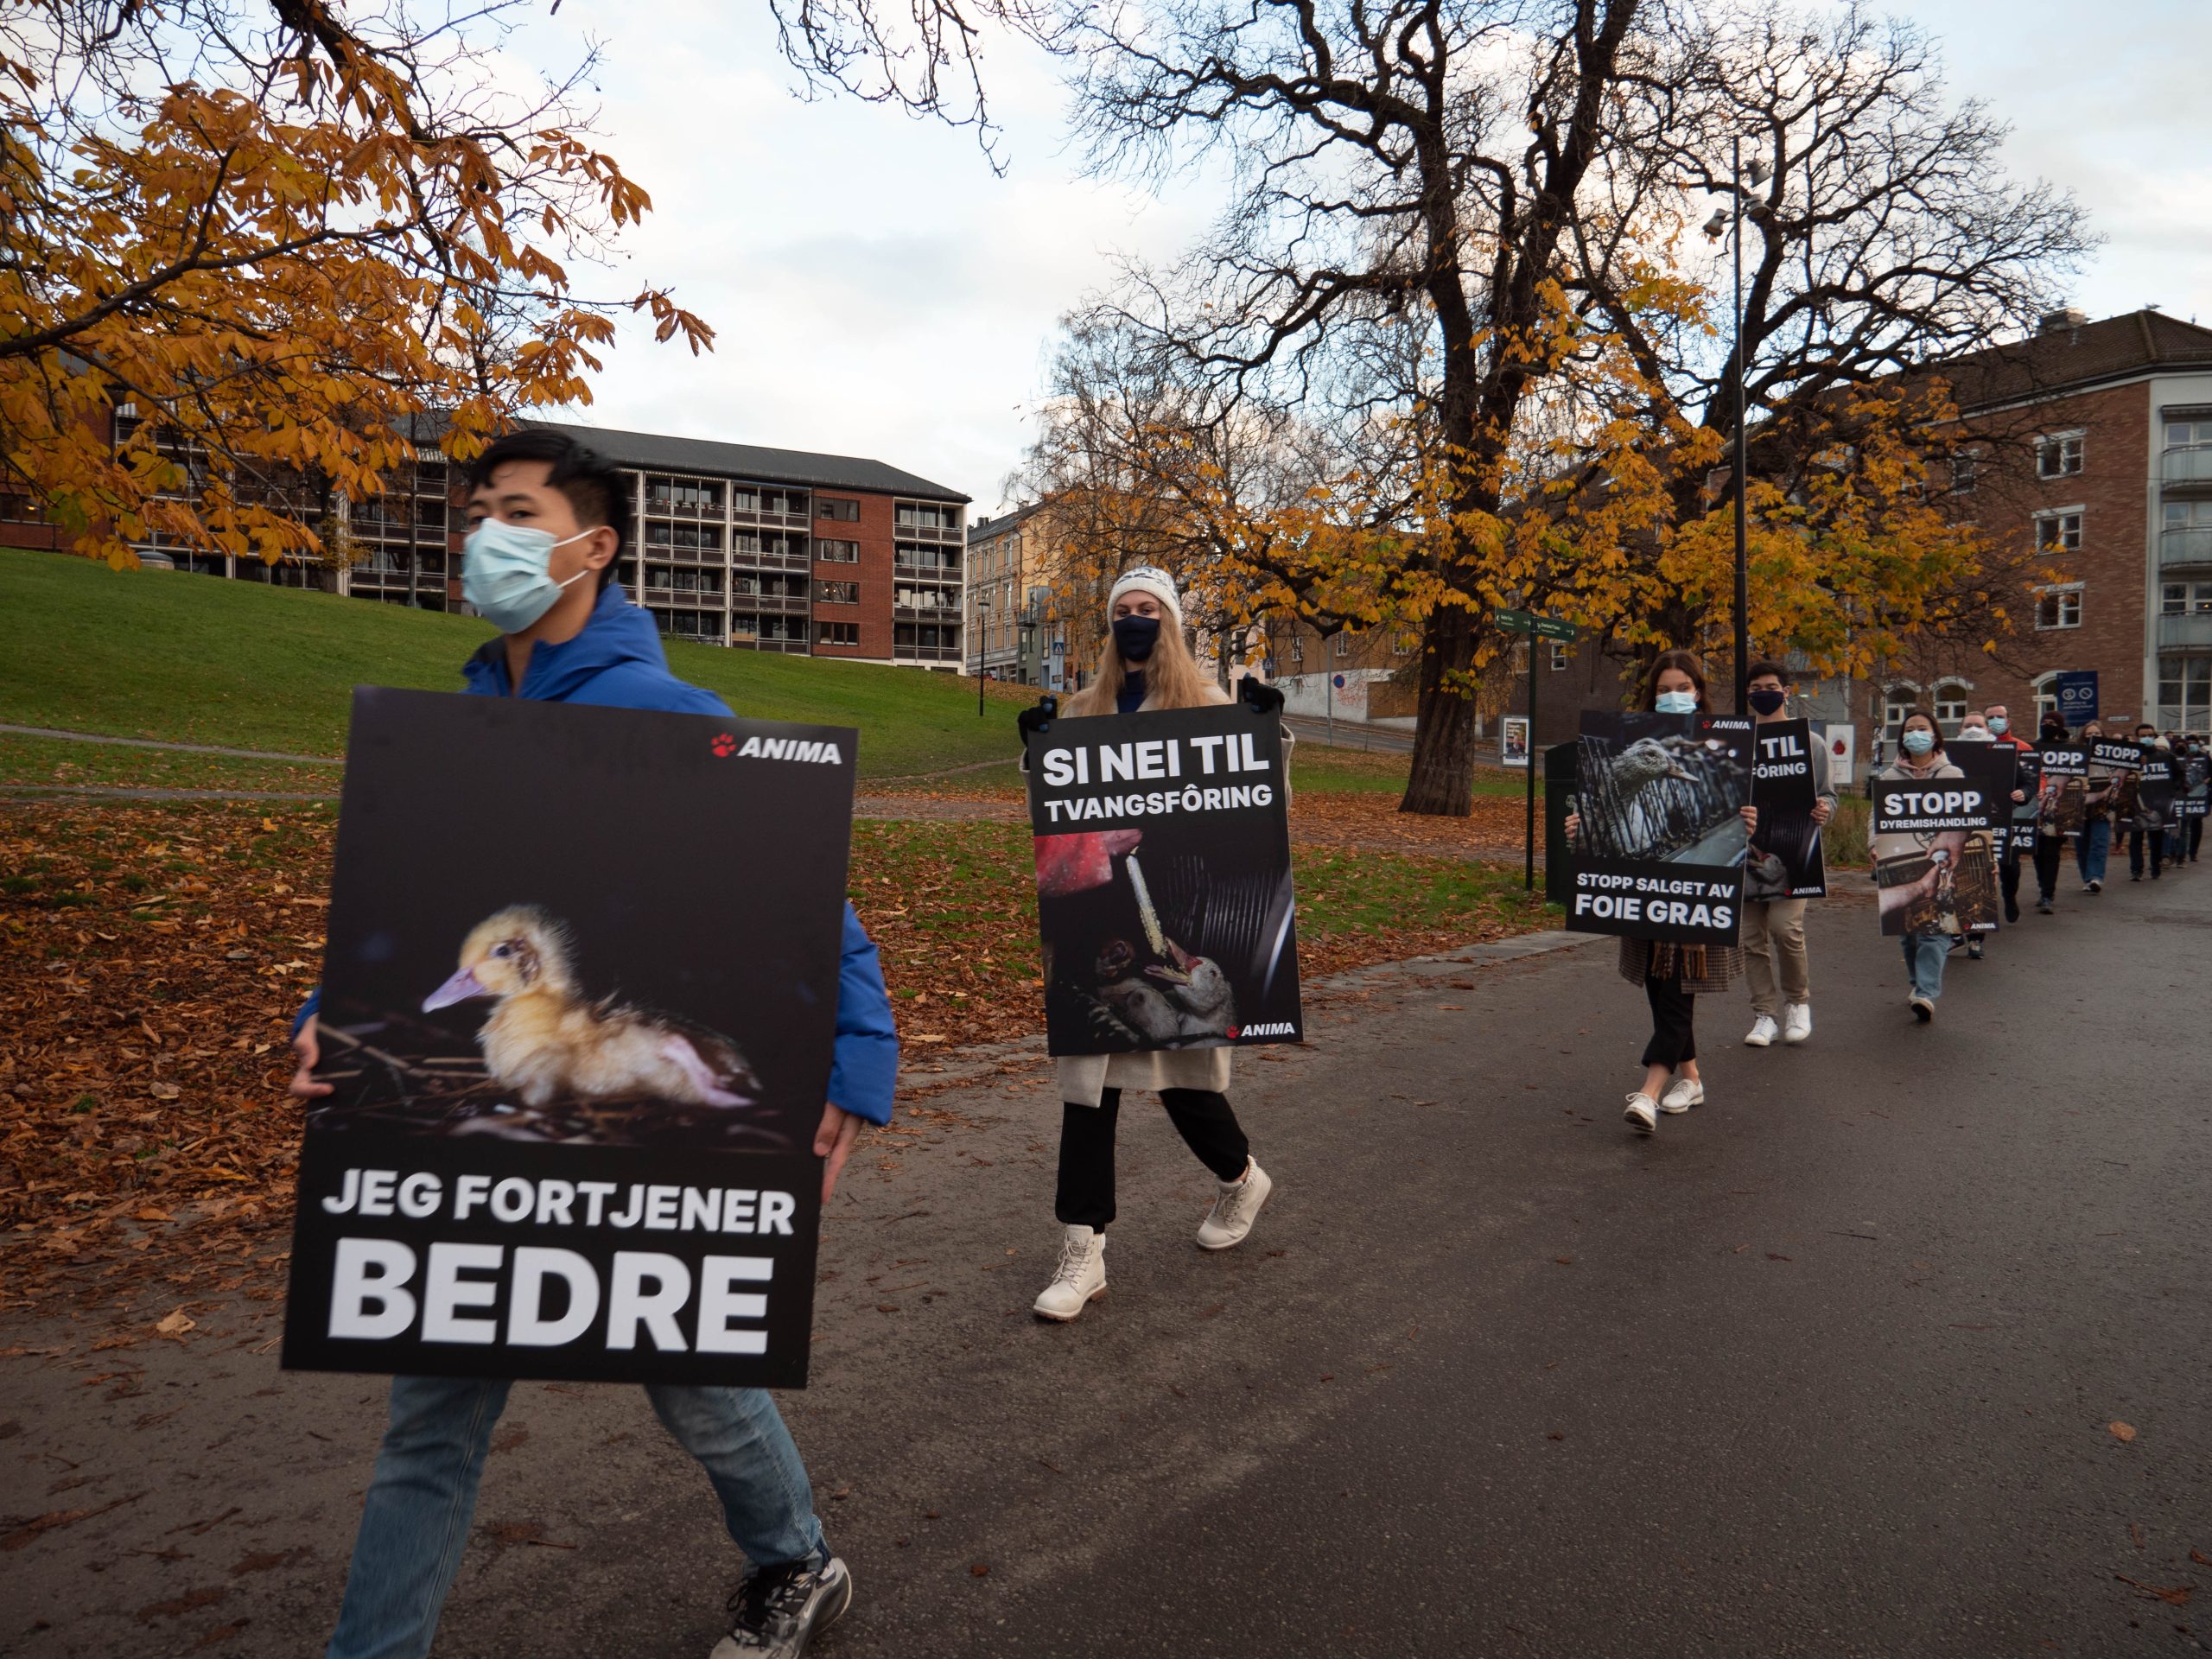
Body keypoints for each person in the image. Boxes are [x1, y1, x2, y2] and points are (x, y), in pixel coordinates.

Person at [287, 431, 899, 1659]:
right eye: (475, 513)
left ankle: (798, 1559)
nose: (483, 540)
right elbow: (418, 911)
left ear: (592, 544)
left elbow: (802, 900)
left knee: (695, 1379)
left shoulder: (670, 716)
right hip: (502, 1142)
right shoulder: (459, 725)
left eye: (515, 513)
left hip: (634, 1129)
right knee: (430, 1415)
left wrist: (856, 1061)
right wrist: (326, 1023)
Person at [1014, 565, 1290, 1322]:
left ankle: (1240, 1177)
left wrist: (1266, 736)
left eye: (1148, 609)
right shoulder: (1083, 709)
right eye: (1122, 612)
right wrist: (1036, 754)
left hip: (1177, 918)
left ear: (1170, 621)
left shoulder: (1206, 706)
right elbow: (1056, 817)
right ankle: (1083, 1249)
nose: (1134, 622)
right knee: (1088, 1090)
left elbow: (1256, 810)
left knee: (1183, 1083)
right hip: (1092, 926)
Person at [1562, 650, 1758, 1134]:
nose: (1674, 697)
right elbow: (1598, 840)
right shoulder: (1622, 778)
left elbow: (1747, 815)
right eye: (1664, 689)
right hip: (1643, 894)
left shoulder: (1725, 746)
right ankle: (1690, 1079)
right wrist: (1576, 833)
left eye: (1683, 688)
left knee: (1675, 987)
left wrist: (1752, 823)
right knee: (1658, 985)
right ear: (1652, 695)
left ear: (1699, 691)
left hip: (1694, 899)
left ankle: (1649, 1092)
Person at [1739, 660, 1834, 1045]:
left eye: (1772, 685)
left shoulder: (1811, 743)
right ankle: (1764, 1014)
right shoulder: (1739, 742)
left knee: (1785, 929)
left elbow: (1828, 794)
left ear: (1786, 691)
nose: (1765, 692)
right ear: (1748, 695)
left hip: (1794, 854)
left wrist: (1826, 809)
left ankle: (1798, 1003)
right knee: (1750, 938)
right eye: (1757, 687)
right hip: (1745, 853)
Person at [1872, 709, 1967, 1022]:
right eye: (1909, 729)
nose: (1916, 734)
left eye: (1922, 728)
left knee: (1935, 929)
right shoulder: (1889, 777)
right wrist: (1874, 844)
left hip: (1939, 861)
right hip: (1901, 860)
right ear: (1902, 738)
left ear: (1935, 735)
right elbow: (1876, 818)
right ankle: (1917, 985)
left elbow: (1967, 818)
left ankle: (1927, 993)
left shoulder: (1952, 775)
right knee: (1908, 932)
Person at [1949, 713, 1998, 957]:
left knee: (1980, 878)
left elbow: (2019, 782)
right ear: (1959, 729)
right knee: (1951, 879)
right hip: (1952, 822)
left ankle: (1976, 937)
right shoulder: (1946, 756)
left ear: (1988, 730)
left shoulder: (2001, 755)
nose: (1973, 729)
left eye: (1978, 726)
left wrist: (2021, 793)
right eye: (1968, 726)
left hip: (1983, 825)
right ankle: (1954, 934)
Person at [1986, 703, 2037, 926]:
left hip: (2006, 816)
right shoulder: (1970, 750)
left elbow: (2030, 781)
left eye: (1999, 717)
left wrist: (2024, 793)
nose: (1994, 721)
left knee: (2009, 863)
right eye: (1990, 717)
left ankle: (2009, 895)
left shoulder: (2017, 749)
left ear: (2008, 720)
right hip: (1974, 817)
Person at [2075, 718, 2116, 893]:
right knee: (2082, 844)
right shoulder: (2077, 754)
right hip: (2080, 806)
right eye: (2089, 733)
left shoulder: (2112, 756)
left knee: (2099, 842)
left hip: (2102, 806)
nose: (2093, 736)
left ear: (2103, 735)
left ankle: (2096, 877)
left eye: (2097, 733)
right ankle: (2087, 877)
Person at [2126, 723, 2169, 880]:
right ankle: (2136, 870)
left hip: (2156, 803)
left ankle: (2155, 867)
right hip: (2136, 802)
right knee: (2136, 838)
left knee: (2155, 838)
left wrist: (2172, 791)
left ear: (2154, 737)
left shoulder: (2164, 756)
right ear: (2137, 737)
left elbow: (2177, 774)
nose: (2147, 738)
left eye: (2150, 735)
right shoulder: (2131, 755)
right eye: (2143, 735)